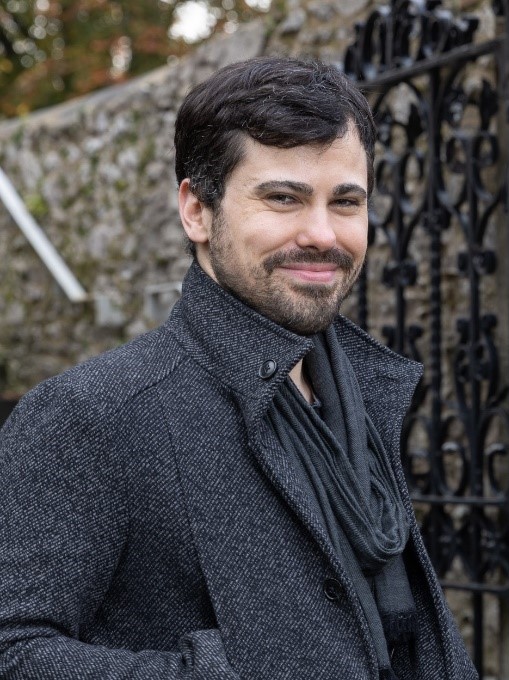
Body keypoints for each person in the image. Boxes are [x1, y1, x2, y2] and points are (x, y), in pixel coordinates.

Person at [0, 57, 477, 679]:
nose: (322, 234)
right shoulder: (91, 415)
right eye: (283, 198)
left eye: (345, 202)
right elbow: (13, 649)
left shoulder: (358, 394)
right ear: (197, 211)